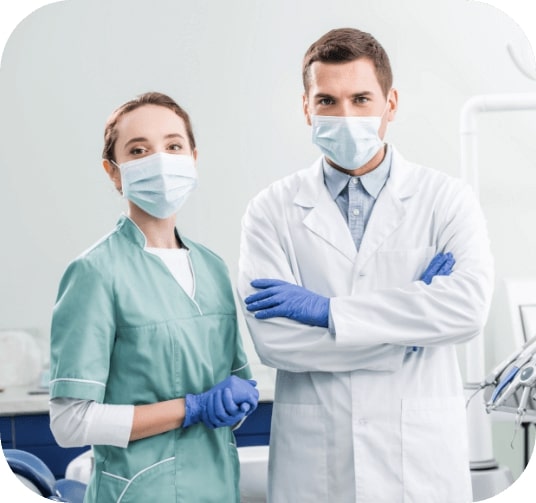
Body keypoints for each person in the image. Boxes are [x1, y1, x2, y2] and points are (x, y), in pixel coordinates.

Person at [238, 28, 494, 502]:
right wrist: (409, 336)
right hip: (316, 464)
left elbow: (467, 309)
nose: (346, 115)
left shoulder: (446, 200)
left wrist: (330, 313)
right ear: (306, 108)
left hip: (419, 463)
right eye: (328, 101)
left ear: (390, 103)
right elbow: (275, 341)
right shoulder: (270, 209)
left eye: (361, 99)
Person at [49, 92, 258, 503]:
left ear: (193, 158)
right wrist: (190, 407)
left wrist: (237, 402)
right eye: (139, 150)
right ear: (114, 172)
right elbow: (69, 423)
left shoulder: (213, 268)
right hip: (140, 492)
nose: (160, 160)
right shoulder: (96, 271)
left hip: (217, 488)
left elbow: (233, 388)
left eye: (173, 145)